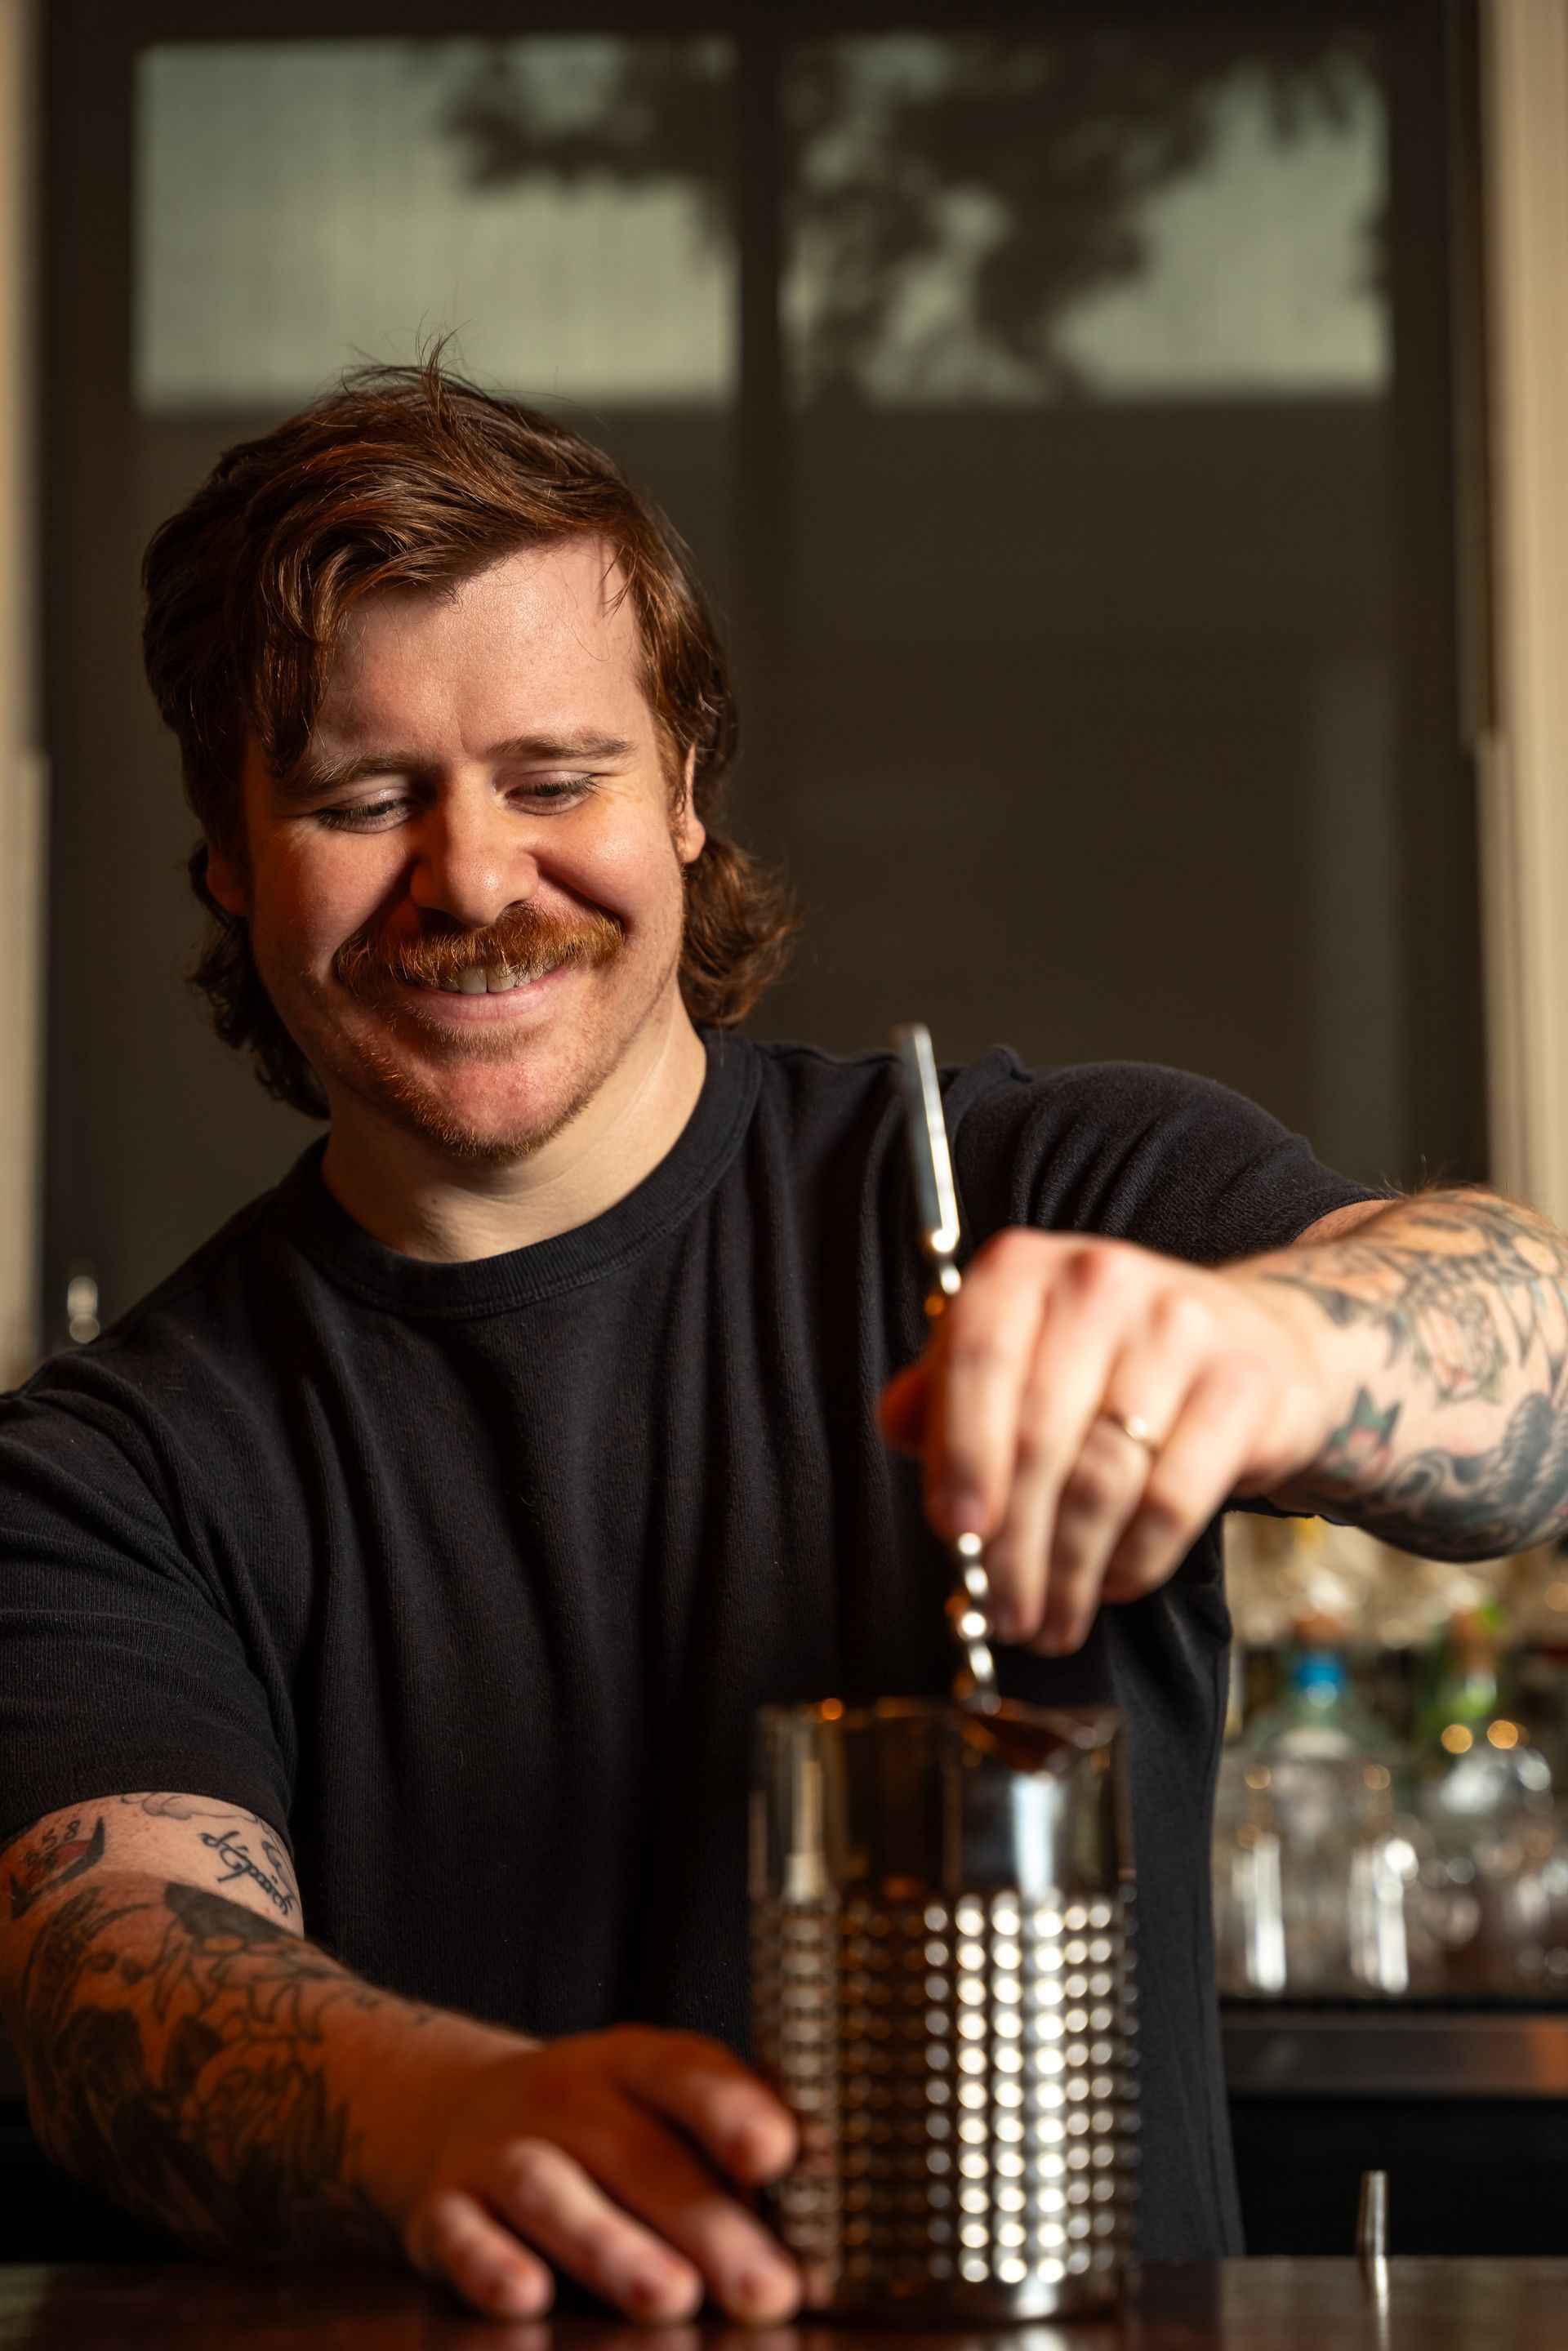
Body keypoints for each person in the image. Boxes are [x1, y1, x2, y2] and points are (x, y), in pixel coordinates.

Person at [2, 361, 1566, 2322]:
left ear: (683, 796)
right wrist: (448, 2119)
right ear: (232, 858)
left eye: (555, 779)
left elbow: (1536, 1368)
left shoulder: (1039, 1181)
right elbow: (111, 1971)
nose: (475, 876)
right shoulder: (112, 1465)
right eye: (361, 796)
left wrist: (1271, 1350)